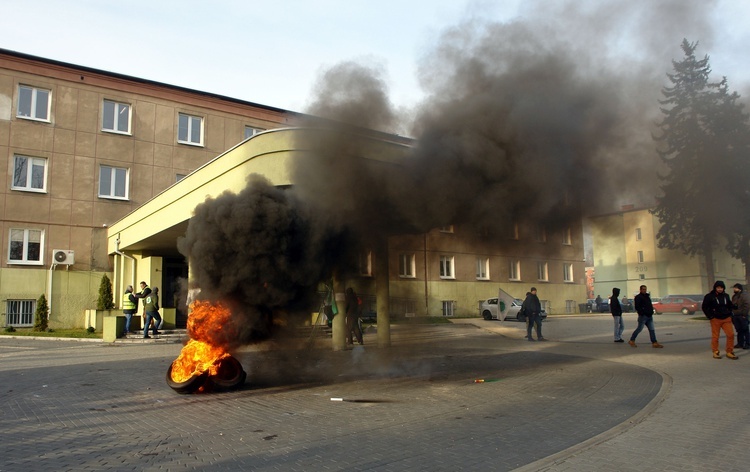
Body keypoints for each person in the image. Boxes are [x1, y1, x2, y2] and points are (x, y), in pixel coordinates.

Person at [702, 281, 737, 359]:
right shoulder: (709, 296)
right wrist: (710, 316)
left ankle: (729, 351)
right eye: (718, 288)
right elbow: (704, 307)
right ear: (715, 288)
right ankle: (715, 351)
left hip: (726, 318)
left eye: (721, 288)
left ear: (723, 288)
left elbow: (729, 305)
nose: (720, 289)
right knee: (715, 336)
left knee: (730, 334)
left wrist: (733, 308)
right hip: (715, 319)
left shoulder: (726, 296)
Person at [731, 283, 750, 349]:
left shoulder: (744, 295)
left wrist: (744, 314)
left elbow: (747, 305)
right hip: (735, 315)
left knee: (745, 330)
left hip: (742, 315)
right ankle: (740, 343)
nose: (734, 289)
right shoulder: (734, 296)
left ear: (739, 289)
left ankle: (747, 343)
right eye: (734, 288)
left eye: (735, 288)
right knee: (739, 330)